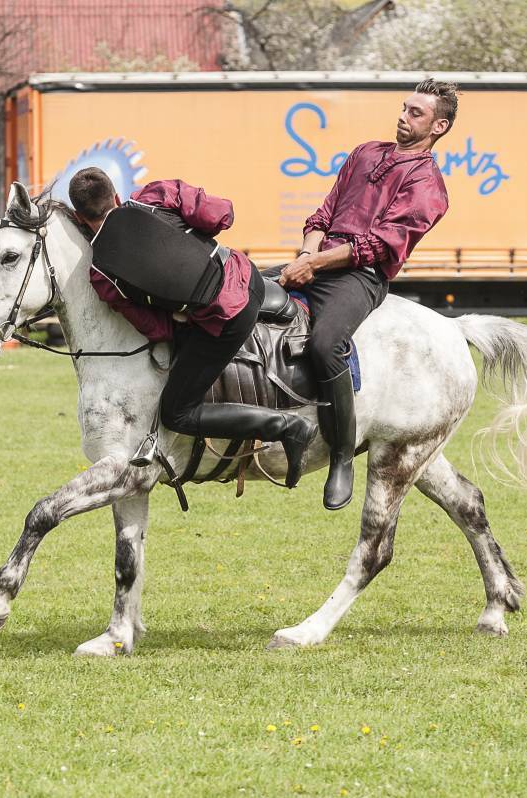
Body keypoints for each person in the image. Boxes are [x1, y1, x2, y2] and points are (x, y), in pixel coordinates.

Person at [68, 168, 316, 487]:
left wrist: (180, 315)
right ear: (116, 196)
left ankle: (286, 427)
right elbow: (222, 215)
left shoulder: (100, 274)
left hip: (225, 321)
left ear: (79, 217)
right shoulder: (155, 195)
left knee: (177, 413)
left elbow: (157, 330)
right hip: (248, 277)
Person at [274, 78, 455, 510]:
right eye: (404, 108)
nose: (403, 116)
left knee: (325, 344)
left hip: (361, 276)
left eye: (415, 113)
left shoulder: (429, 186)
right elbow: (323, 213)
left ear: (439, 126)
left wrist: (314, 264)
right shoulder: (365, 153)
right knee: (241, 294)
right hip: (316, 259)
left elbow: (377, 246)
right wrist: (306, 255)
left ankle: (341, 456)